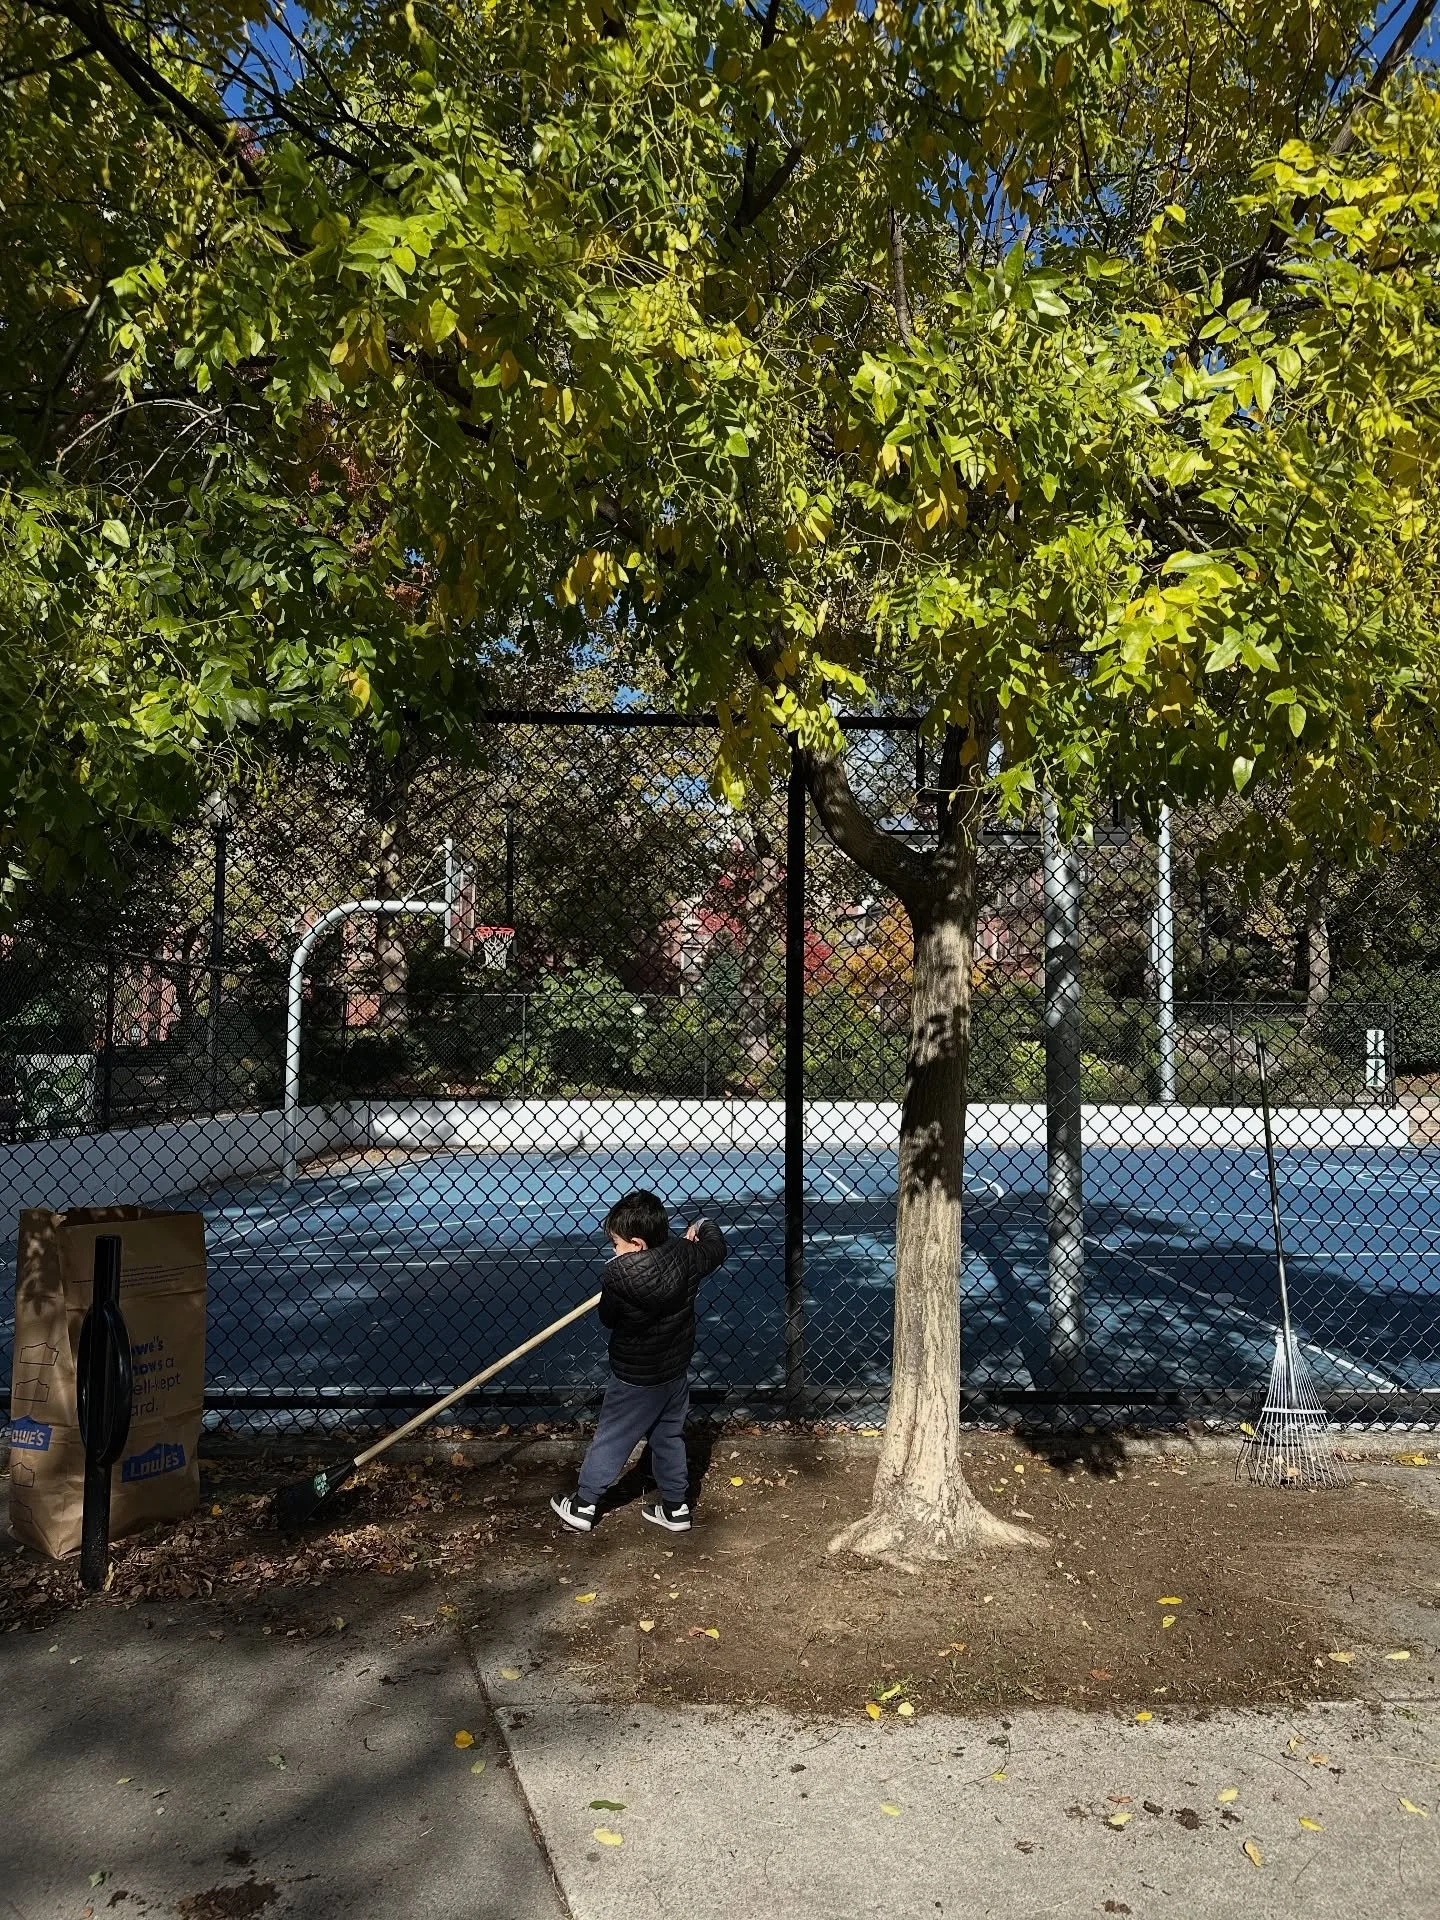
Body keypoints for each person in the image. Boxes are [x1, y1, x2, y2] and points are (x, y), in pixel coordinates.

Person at [551, 1189, 726, 1535]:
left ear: (637, 1243)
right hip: (673, 1372)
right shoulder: (687, 1255)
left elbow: (608, 1318)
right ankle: (676, 1507)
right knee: (669, 1435)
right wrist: (702, 1225)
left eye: (616, 1244)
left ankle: (584, 1504)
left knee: (613, 1436)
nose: (613, 1251)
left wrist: (615, 1289)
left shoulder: (618, 1276)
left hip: (633, 1376)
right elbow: (716, 1248)